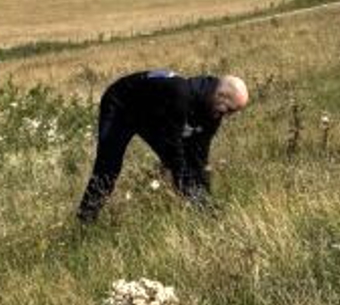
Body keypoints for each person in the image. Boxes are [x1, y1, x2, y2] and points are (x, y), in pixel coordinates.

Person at [76, 70, 250, 222]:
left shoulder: (212, 112)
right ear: (221, 95)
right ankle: (85, 220)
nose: (228, 116)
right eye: (230, 110)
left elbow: (199, 155)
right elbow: (173, 147)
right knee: (109, 166)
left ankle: (205, 214)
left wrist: (206, 199)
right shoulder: (180, 95)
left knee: (190, 164)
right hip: (121, 105)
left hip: (151, 114)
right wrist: (183, 179)